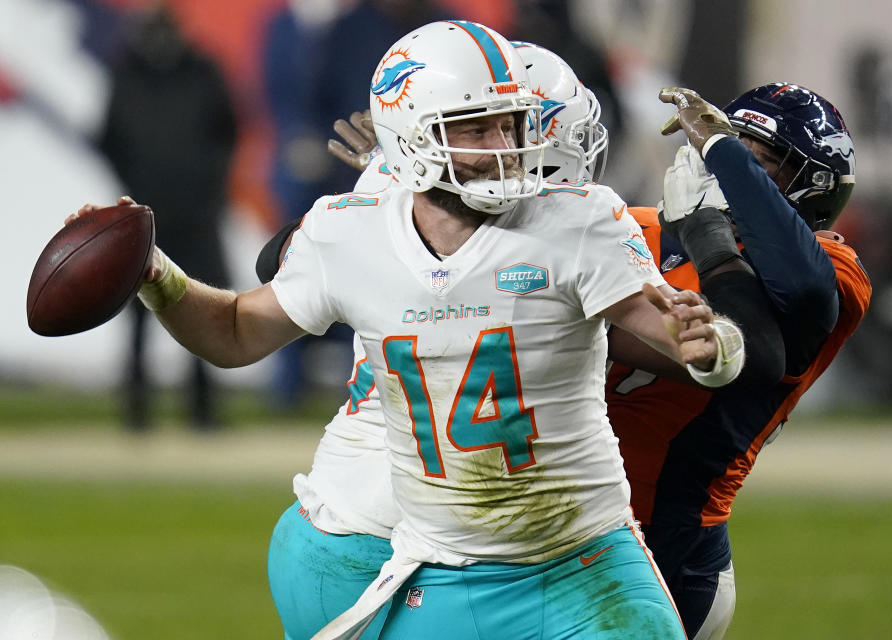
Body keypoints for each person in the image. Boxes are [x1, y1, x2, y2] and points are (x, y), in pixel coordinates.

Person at [74, 22, 745, 640]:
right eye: (476, 130)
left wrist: (711, 345)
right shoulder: (349, 230)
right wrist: (155, 272)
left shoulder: (580, 220)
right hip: (437, 567)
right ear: (414, 139)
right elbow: (233, 332)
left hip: (583, 561)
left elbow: (671, 331)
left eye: (511, 126)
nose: (506, 149)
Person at [261, 44, 785, 640]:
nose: (511, 145)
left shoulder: (383, 218)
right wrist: (711, 237)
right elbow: (757, 358)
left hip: (327, 522)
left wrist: (390, 182)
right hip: (453, 553)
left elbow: (271, 260)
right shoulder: (554, 243)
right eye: (492, 129)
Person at [605, 84, 871, 639]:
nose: (722, 171)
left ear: (813, 189)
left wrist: (719, 176)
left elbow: (791, 299)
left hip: (671, 541)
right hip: (570, 517)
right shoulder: (637, 229)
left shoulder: (834, 273)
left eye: (759, 162)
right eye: (724, 151)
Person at [98, 3, 237, 430]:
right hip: (144, 218)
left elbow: (229, 130)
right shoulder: (127, 74)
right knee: (138, 312)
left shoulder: (203, 71)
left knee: (202, 307)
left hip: (196, 215)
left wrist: (205, 184)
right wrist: (135, 187)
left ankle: (204, 411)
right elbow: (108, 139)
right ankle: (137, 412)